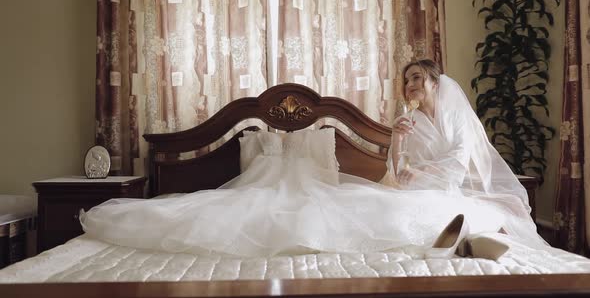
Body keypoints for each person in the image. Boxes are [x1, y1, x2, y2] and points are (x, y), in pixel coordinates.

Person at [80, 60, 545, 259]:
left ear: (436, 83)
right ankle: (455, 243)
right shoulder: (407, 119)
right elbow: (394, 167)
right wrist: (399, 143)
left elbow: (455, 162)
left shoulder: (454, 118)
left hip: (439, 187)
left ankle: (464, 242)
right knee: (391, 208)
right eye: (407, 81)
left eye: (418, 79)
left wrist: (417, 170)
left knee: (438, 208)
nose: (411, 87)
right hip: (417, 187)